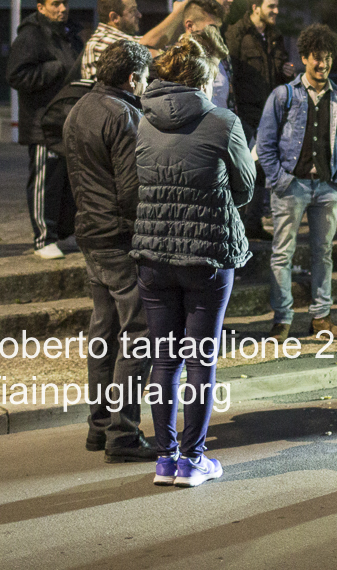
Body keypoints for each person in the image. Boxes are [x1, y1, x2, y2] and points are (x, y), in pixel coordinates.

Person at [133, 35, 255, 487]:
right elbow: (245, 187)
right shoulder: (222, 121)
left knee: (164, 360)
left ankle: (165, 460)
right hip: (206, 254)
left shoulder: (142, 121)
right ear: (203, 81)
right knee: (201, 360)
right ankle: (192, 459)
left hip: (152, 252)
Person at [62, 39, 158, 463]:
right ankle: (123, 433)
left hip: (90, 233)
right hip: (119, 238)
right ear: (133, 77)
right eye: (145, 77)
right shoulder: (123, 115)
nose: (146, 84)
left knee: (103, 331)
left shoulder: (79, 108)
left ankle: (98, 426)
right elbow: (132, 189)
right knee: (138, 334)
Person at [257, 23, 337, 339]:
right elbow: (264, 143)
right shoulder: (283, 95)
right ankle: (282, 319)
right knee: (282, 254)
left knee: (323, 254)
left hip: (327, 188)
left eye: (327, 57)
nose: (322, 63)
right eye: (316, 57)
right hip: (292, 187)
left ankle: (321, 317)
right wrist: (279, 180)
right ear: (304, 58)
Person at [6, 0, 84, 259]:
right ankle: (43, 238)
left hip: (67, 122)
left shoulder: (70, 34)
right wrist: (54, 69)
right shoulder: (31, 36)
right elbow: (16, 75)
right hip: (43, 124)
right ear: (41, 7)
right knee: (45, 183)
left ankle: (62, 234)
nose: (62, 8)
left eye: (64, 2)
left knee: (68, 184)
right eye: (55, 4)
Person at [224, 0, 293, 239]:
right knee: (241, 169)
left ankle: (253, 225)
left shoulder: (275, 36)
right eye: (271, 6)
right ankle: (236, 226)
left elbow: (279, 69)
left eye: (277, 5)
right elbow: (229, 71)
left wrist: (286, 72)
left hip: (269, 113)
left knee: (262, 168)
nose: (276, 11)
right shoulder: (236, 34)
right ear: (255, 8)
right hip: (244, 113)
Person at [80, 0, 186, 79]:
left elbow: (160, 43)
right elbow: (148, 44)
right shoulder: (101, 41)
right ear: (114, 17)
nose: (139, 15)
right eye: (132, 11)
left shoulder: (116, 38)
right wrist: (177, 12)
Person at [181, 0, 233, 112]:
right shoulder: (175, 60)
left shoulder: (222, 58)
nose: (216, 33)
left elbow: (230, 101)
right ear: (190, 26)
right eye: (212, 27)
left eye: (218, 28)